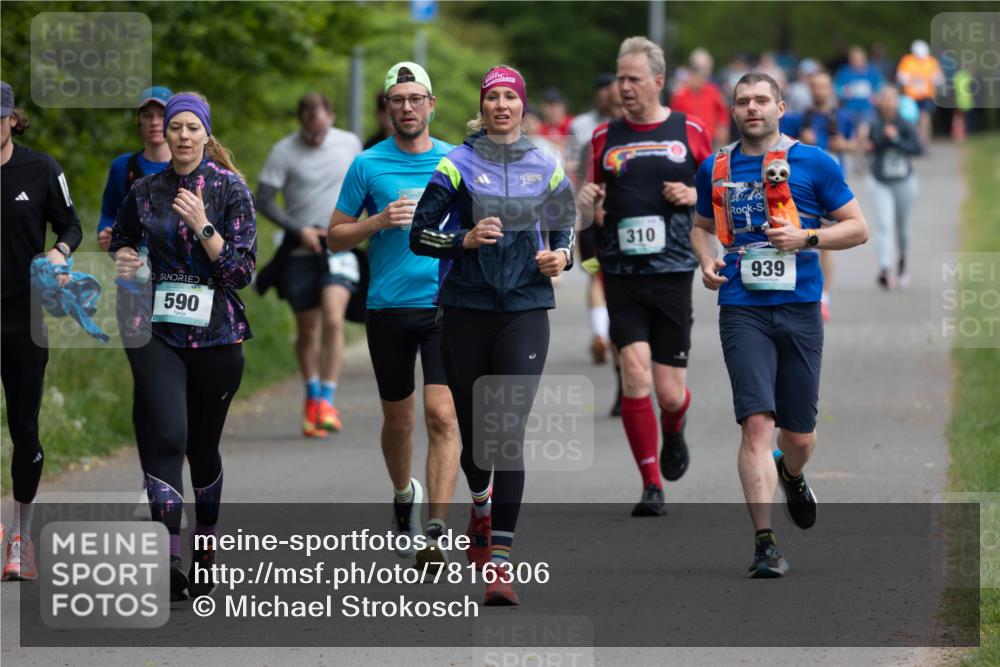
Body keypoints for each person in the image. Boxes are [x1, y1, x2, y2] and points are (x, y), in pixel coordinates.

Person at [690, 72, 868, 578]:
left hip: (800, 307)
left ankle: (791, 473)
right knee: (756, 423)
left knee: (800, 436)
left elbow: (857, 228)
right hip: (742, 308)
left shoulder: (813, 161)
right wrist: (706, 262)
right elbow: (702, 229)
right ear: (733, 108)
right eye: (743, 100)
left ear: (781, 107)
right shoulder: (716, 167)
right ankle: (764, 542)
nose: (752, 108)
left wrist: (806, 238)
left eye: (761, 100)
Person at [409, 65, 576, 605]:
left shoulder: (545, 164)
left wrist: (563, 255)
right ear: (482, 109)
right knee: (478, 437)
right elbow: (420, 235)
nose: (501, 105)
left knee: (505, 429)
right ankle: (479, 501)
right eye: (492, 98)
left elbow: (567, 223)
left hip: (526, 308)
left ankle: (500, 563)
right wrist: (464, 239)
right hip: (465, 310)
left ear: (522, 106)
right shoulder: (455, 164)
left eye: (510, 97)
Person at [110, 92, 257, 600]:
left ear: (206, 134)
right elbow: (124, 238)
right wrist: (126, 258)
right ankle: (169, 551)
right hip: (158, 330)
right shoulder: (146, 190)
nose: (184, 136)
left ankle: (207, 545)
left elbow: (241, 272)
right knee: (168, 432)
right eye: (177, 128)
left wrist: (203, 226)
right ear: (165, 135)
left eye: (193, 127)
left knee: (202, 446)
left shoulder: (230, 189)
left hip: (217, 335)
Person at [328, 62, 460, 568]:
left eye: (415, 98)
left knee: (442, 415)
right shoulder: (367, 165)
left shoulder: (456, 160)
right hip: (387, 307)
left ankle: (435, 529)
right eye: (397, 100)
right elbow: (334, 234)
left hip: (445, 305)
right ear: (387, 110)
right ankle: (404, 492)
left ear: (431, 105)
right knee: (400, 423)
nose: (407, 107)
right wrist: (378, 221)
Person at [579, 36, 712, 516]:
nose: (624, 87)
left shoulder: (690, 130)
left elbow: (719, 198)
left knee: (669, 391)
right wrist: (586, 210)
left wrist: (693, 197)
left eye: (634, 78)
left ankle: (674, 426)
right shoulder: (600, 139)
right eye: (620, 78)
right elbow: (583, 207)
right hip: (622, 273)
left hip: (674, 271)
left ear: (658, 81)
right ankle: (651, 485)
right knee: (633, 375)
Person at [1, 81, 82, 581]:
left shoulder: (42, 168)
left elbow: (69, 225)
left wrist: (59, 253)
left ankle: (20, 538)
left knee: (24, 426)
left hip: (22, 316)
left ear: (12, 119)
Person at [257, 94, 362, 437]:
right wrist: (298, 229)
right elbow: (264, 199)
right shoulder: (283, 151)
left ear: (331, 117)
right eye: (309, 130)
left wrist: (360, 225)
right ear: (301, 121)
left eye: (321, 130)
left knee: (333, 319)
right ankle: (312, 395)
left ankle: (327, 400)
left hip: (338, 243)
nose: (316, 137)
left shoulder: (349, 144)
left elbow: (366, 185)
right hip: (301, 248)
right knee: (309, 328)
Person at [781, 70, 856, 321]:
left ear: (830, 89)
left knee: (824, 243)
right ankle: (797, 290)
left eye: (824, 86)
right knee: (796, 236)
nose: (820, 91)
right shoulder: (800, 119)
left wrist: (844, 145)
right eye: (815, 87)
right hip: (805, 187)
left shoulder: (842, 117)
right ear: (810, 90)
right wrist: (801, 139)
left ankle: (824, 297)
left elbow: (859, 143)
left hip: (833, 188)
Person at [569, 74, 622, 369]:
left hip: (592, 221)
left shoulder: (591, 137)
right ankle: (611, 339)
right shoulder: (592, 136)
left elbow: (580, 183)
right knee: (609, 279)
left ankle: (601, 332)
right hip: (602, 222)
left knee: (596, 277)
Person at [97, 86, 173, 251]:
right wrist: (105, 233)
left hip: (176, 268)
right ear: (139, 121)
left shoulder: (189, 167)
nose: (154, 122)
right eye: (147, 115)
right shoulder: (122, 166)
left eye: (162, 115)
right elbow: (109, 213)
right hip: (133, 266)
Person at [866, 85, 922, 289]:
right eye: (884, 98)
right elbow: (872, 147)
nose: (888, 102)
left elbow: (918, 149)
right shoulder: (874, 123)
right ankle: (884, 269)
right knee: (884, 225)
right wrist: (873, 144)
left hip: (904, 181)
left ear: (897, 101)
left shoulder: (906, 124)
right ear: (879, 101)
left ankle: (903, 263)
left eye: (891, 98)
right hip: (880, 181)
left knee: (902, 228)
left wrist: (897, 139)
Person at [834, 46, 883, 170]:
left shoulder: (872, 72)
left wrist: (876, 96)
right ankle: (858, 160)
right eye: (854, 59)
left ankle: (861, 159)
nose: (856, 61)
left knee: (862, 133)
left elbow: (880, 87)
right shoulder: (844, 72)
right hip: (849, 109)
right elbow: (837, 88)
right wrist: (844, 92)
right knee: (854, 137)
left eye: (859, 59)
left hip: (866, 110)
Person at [670, 50, 730, 145]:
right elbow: (674, 116)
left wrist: (723, 126)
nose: (698, 80)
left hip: (710, 136)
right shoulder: (680, 94)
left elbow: (722, 110)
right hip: (688, 138)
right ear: (690, 77)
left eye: (700, 76)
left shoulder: (712, 90)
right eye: (694, 77)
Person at [896, 40, 943, 147]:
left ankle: (924, 144)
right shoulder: (907, 61)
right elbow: (901, 77)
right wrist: (913, 79)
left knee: (925, 118)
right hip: (911, 98)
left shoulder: (931, 61)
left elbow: (939, 78)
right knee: (913, 120)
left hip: (926, 97)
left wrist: (933, 79)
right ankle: (916, 143)